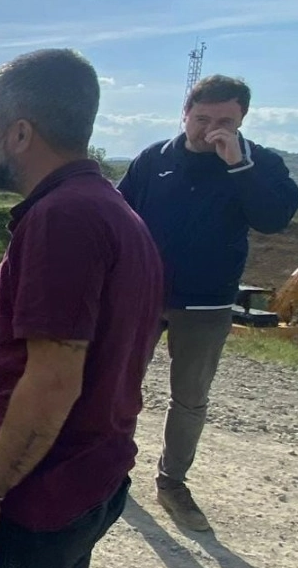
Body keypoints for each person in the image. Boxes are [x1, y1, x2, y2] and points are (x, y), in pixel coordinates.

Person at [0, 49, 165, 568]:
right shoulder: (114, 210)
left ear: (21, 134)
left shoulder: (64, 219)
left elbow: (53, 381)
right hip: (86, 487)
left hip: (31, 500)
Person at [118, 74, 298, 533]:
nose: (211, 130)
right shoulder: (154, 158)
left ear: (242, 120)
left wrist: (238, 166)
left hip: (207, 302)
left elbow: (274, 219)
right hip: (143, 296)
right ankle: (108, 468)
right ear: (185, 113)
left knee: (190, 398)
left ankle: (172, 483)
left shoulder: (260, 162)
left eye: (225, 121)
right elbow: (118, 214)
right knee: (118, 384)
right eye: (201, 118)